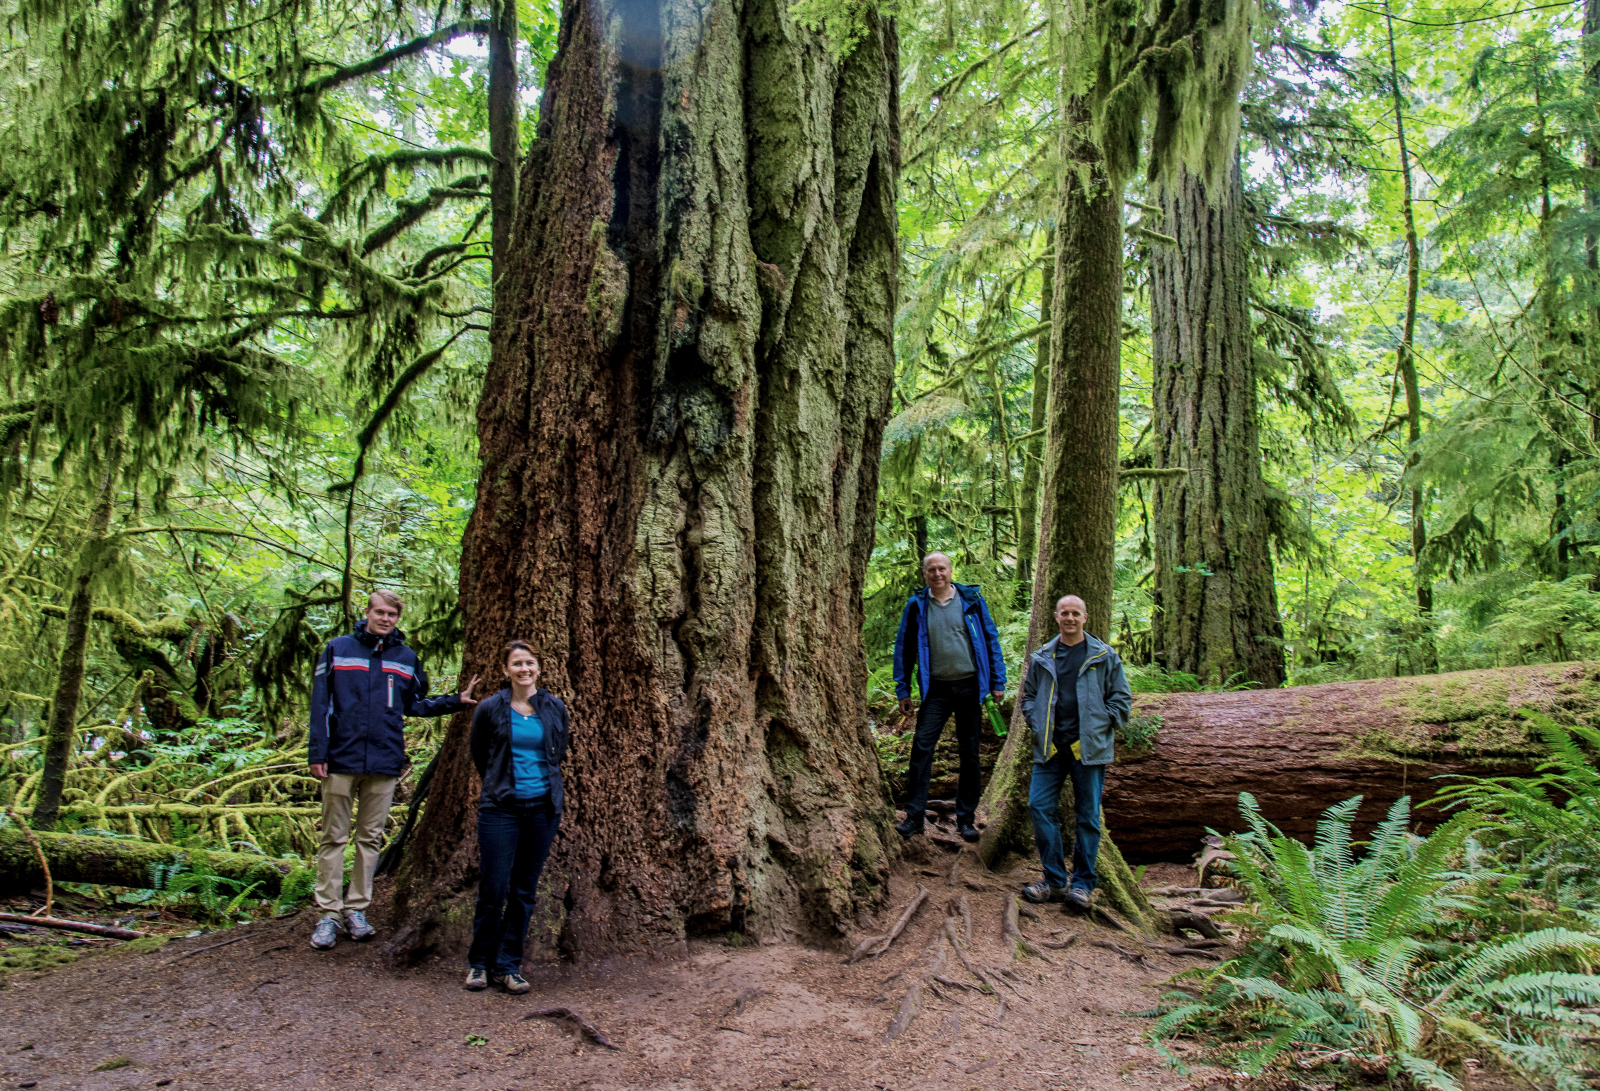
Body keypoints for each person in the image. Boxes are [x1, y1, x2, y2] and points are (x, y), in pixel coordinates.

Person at [307, 590, 479, 949]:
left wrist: (455, 702)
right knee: (334, 838)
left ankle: (356, 909)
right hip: (340, 759)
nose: (386, 619)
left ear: (398, 619)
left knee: (369, 839)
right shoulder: (338, 650)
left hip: (385, 762)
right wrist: (317, 753)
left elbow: (414, 705)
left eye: (392, 615)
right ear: (367, 612)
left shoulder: (406, 658)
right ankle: (328, 914)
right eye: (380, 612)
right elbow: (320, 703)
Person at [464, 641, 569, 994]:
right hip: (500, 809)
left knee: (524, 890)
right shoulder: (491, 709)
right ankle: (479, 963)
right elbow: (480, 755)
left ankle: (508, 965)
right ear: (506, 670)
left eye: (530, 663)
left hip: (542, 810)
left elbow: (558, 752)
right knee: (493, 888)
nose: (524, 669)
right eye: (517, 664)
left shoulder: (554, 708)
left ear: (539, 668)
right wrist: (502, 786)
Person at [1018, 594, 1132, 909]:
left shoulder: (1104, 656)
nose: (1070, 618)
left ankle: (1082, 885)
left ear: (1085, 617)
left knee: (1088, 818)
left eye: (1075, 613)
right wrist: (1037, 722)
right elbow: (1028, 695)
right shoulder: (1043, 656)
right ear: (1056, 617)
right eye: (1065, 613)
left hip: (1089, 750)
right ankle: (1054, 882)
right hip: (1050, 748)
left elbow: (1121, 701)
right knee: (1038, 806)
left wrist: (1099, 725)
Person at [892, 552, 1007, 842]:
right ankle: (915, 817)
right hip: (936, 690)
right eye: (931, 569)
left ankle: (966, 820)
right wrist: (902, 689)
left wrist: (997, 681)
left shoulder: (972, 602)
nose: (937, 573)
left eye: (941, 568)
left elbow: (991, 639)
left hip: (970, 687)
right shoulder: (917, 606)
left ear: (950, 570)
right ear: (924, 574)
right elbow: (904, 648)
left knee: (970, 753)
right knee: (921, 749)